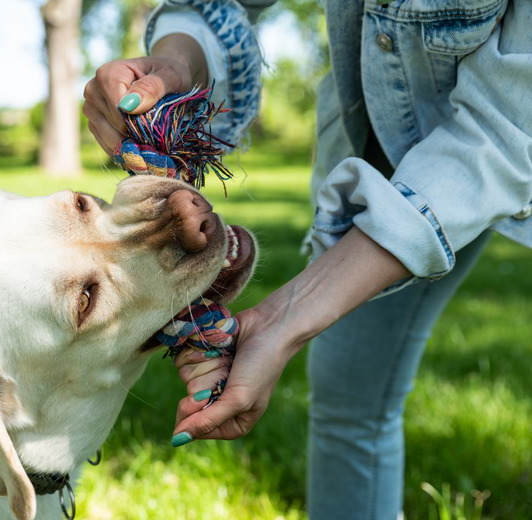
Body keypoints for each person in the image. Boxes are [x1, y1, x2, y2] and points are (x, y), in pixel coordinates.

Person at [82, 1, 532, 518]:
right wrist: (178, 60)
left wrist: (285, 319)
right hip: (361, 135)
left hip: (465, 159)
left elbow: (508, 128)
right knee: (346, 394)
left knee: (354, 399)